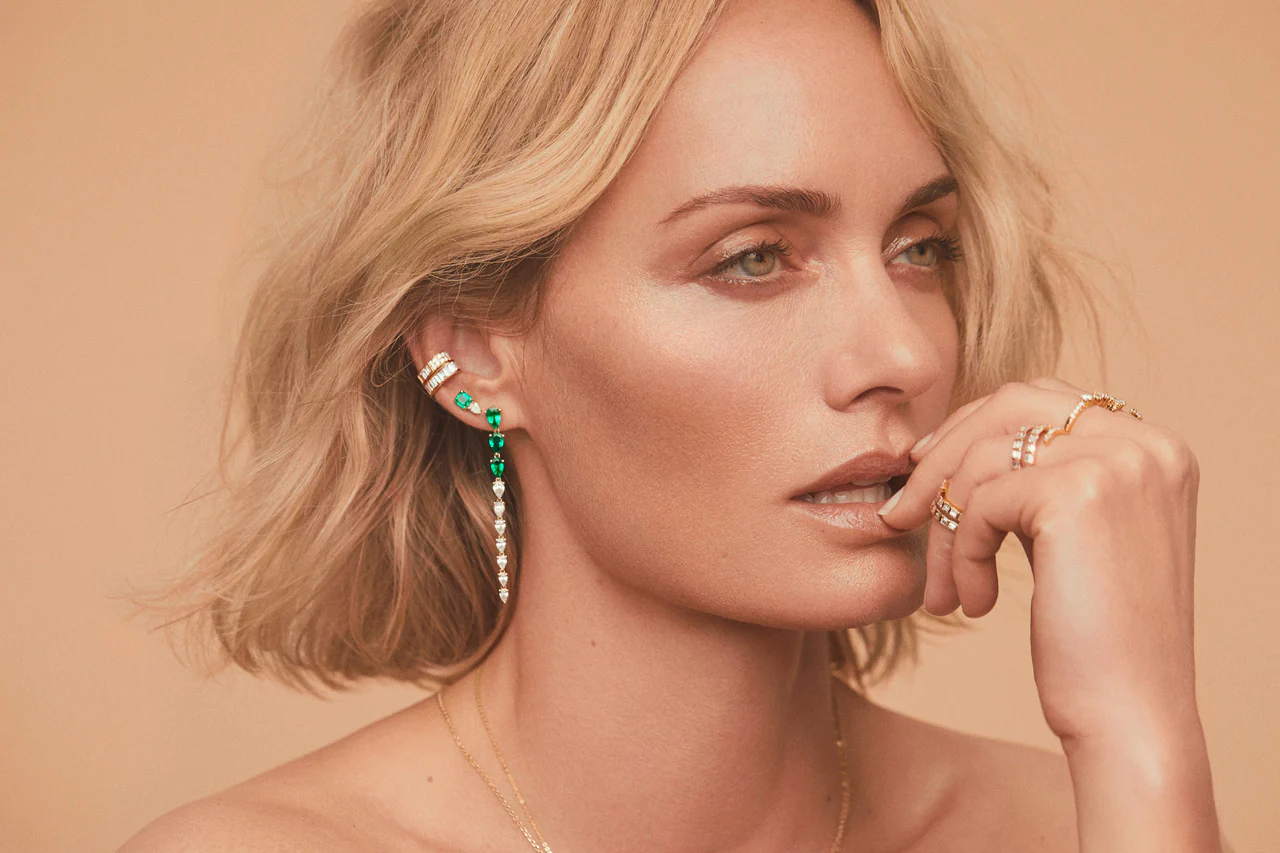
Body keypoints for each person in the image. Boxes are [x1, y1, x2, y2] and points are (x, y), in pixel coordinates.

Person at [120, 0, 1233, 849]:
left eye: (918, 248)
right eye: (752, 258)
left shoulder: (1082, 821)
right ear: (471, 353)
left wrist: (1138, 737)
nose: (902, 355)